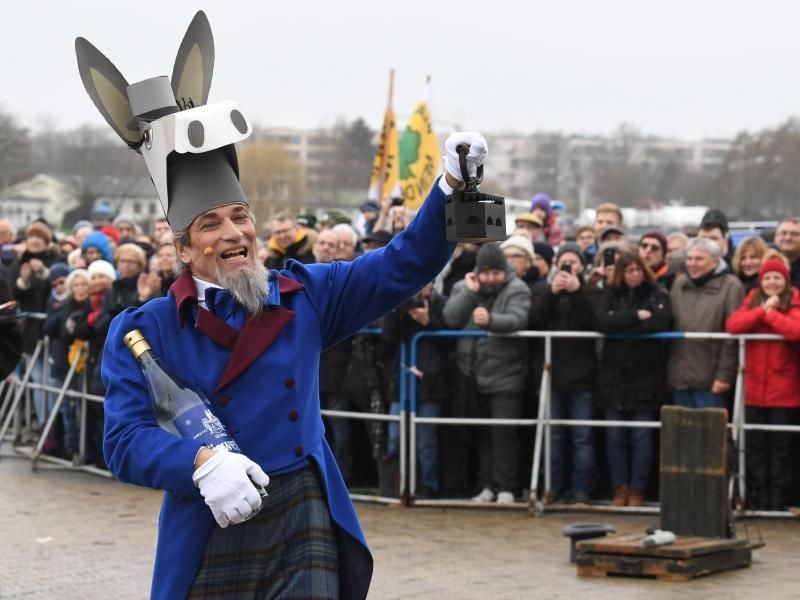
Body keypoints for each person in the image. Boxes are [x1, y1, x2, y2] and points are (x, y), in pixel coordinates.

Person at [76, 16, 489, 593]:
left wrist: (450, 188)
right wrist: (199, 465)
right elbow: (123, 443)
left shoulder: (306, 295)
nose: (233, 232)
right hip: (209, 521)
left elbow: (402, 264)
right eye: (211, 223)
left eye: (240, 216)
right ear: (183, 247)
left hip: (303, 510)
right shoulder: (144, 330)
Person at [443, 243, 530, 504]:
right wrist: (469, 294)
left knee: (504, 432)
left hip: (506, 373)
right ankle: (486, 484)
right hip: (470, 374)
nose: (491, 279)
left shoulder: (517, 289)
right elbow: (450, 318)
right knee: (480, 433)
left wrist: (491, 321)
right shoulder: (464, 287)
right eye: (486, 273)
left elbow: (518, 319)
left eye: (496, 273)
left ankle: (506, 486)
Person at [594, 252, 671, 507]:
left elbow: (660, 322)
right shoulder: (610, 294)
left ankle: (638, 489)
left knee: (641, 438)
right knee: (614, 438)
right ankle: (620, 487)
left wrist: (621, 322)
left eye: (638, 270)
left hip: (646, 378)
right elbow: (602, 321)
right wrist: (636, 316)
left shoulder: (657, 294)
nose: (635, 275)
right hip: (614, 379)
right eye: (629, 271)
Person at [725, 257, 800, 511]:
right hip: (754, 391)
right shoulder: (752, 300)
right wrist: (762, 310)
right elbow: (733, 325)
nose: (772, 282)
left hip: (784, 392)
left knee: (781, 449)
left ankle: (778, 502)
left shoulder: (795, 301)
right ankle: (757, 500)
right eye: (767, 278)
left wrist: (770, 315)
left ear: (786, 281)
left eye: (777, 278)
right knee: (755, 448)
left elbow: (795, 330)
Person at [529, 242, 598, 504]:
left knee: (582, 437)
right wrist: (552, 292)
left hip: (582, 376)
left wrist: (577, 292)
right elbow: (535, 318)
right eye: (564, 261)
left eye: (574, 262)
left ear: (582, 266)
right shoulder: (542, 289)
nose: (569, 266)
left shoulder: (591, 291)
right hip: (550, 374)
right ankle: (552, 487)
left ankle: (581, 490)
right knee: (552, 436)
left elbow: (592, 321)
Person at [667, 237, 744, 409]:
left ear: (715, 262)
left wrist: (724, 376)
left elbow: (732, 337)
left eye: (699, 259)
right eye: (689, 258)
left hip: (711, 379)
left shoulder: (731, 286)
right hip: (680, 376)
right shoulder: (679, 284)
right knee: (682, 431)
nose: (692, 263)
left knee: (710, 433)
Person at [774, 217, 800, 288]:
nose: (788, 238)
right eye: (783, 233)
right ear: (775, 237)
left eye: (794, 234)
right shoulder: (764, 262)